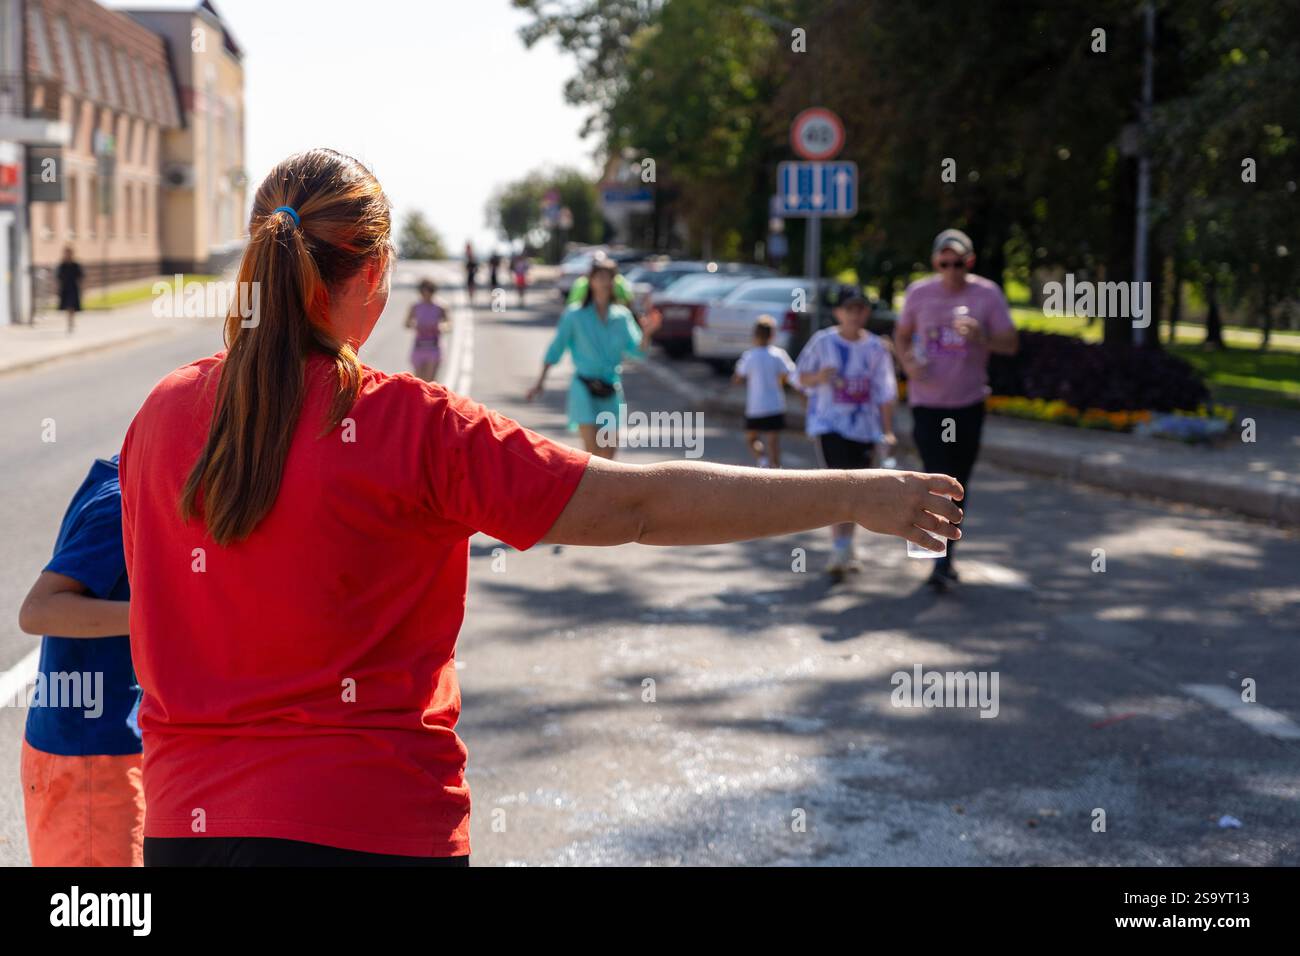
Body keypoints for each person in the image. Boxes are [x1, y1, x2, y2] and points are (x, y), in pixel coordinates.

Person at [119, 149, 963, 867]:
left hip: (183, 828)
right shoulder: (413, 426)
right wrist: (857, 492)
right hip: (370, 825)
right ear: (375, 272)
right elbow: (638, 505)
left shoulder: (161, 413)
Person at [16, 454, 143, 866]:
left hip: (107, 746)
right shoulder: (120, 500)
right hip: (89, 758)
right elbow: (39, 610)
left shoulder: (132, 476)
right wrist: (162, 616)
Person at [895, 229, 1018, 592]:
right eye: (945, 263)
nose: (951, 270)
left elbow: (1011, 344)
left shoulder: (987, 294)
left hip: (967, 404)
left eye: (958, 263)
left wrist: (982, 337)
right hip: (928, 404)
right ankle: (937, 560)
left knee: (959, 483)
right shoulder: (919, 293)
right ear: (936, 263)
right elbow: (901, 335)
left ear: (970, 261)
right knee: (935, 479)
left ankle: (945, 556)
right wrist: (908, 364)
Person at [797, 287, 899, 578]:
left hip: (865, 429)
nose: (855, 315)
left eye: (860, 309)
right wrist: (819, 378)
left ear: (866, 313)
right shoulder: (823, 342)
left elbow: (886, 392)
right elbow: (798, 377)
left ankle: (846, 545)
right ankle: (838, 548)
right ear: (838, 312)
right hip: (830, 426)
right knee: (838, 486)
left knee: (858, 490)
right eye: (849, 309)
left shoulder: (876, 348)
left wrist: (888, 431)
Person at [526, 254, 661, 458]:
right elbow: (555, 350)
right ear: (590, 280)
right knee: (593, 456)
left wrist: (648, 333)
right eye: (600, 277)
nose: (604, 282)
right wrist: (539, 383)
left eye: (609, 277)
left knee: (609, 456)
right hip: (583, 390)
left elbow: (638, 352)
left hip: (610, 389)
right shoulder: (574, 315)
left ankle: (602, 491)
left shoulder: (622, 316)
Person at [732, 315, 797, 468]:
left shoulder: (750, 356)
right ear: (772, 335)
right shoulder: (778, 355)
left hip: (756, 406)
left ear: (754, 335)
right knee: (773, 441)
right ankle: (777, 471)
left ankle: (762, 460)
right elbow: (789, 375)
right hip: (775, 404)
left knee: (751, 438)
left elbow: (738, 378)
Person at [405, 278, 447, 381]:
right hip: (419, 347)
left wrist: (441, 326)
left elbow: (448, 323)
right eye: (423, 292)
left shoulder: (440, 307)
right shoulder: (415, 307)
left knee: (430, 380)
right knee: (419, 381)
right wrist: (414, 325)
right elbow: (407, 323)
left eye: (428, 292)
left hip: (434, 347)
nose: (426, 295)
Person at [56, 246, 83, 334]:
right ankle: (70, 321)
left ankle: (71, 322)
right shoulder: (62, 264)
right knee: (67, 306)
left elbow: (80, 276)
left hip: (73, 288)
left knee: (72, 306)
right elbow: (58, 276)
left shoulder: (75, 264)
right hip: (65, 288)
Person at [463, 242, 478, 306]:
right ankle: (470, 299)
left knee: (471, 286)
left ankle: (471, 299)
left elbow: (475, 266)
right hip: (469, 274)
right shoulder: (467, 255)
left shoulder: (472, 256)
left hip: (472, 274)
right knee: (469, 286)